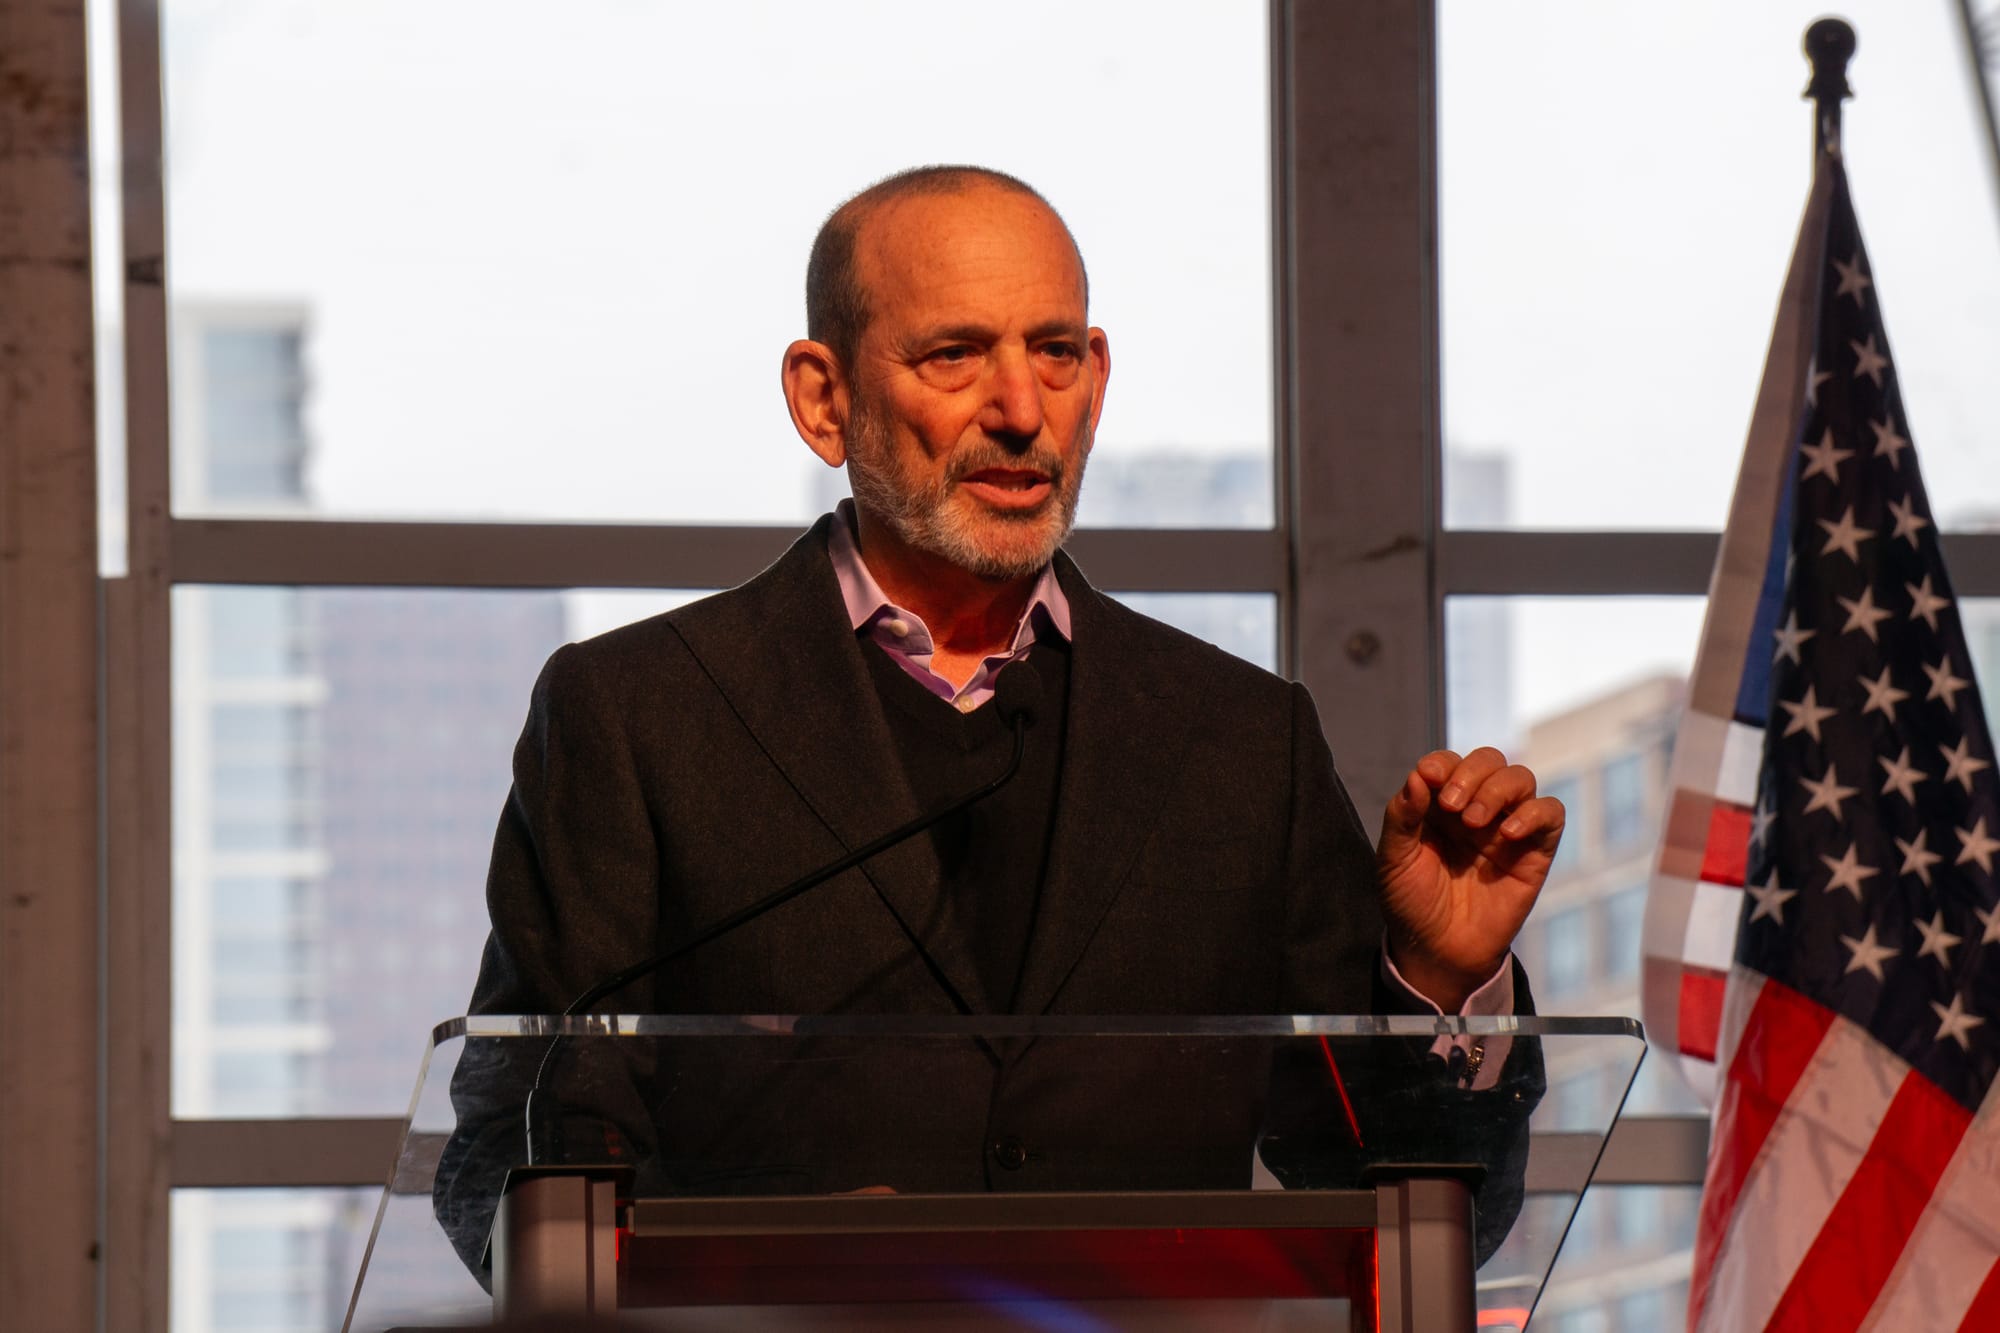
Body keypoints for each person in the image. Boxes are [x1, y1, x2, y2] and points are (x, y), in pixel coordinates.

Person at [434, 166, 1561, 1277]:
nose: (1021, 412)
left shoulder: (1237, 742)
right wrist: (785, 1259)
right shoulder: (636, 717)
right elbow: (507, 1162)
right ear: (822, 398)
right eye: (954, 354)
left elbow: (1407, 1215)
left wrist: (1433, 984)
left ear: (1097, 377)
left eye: (1054, 353)